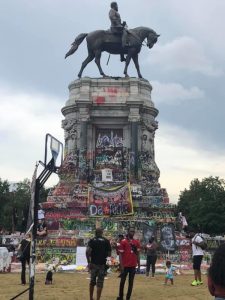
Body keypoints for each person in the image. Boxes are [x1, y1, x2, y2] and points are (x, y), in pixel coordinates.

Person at [86, 228, 111, 300]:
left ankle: (91, 298)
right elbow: (109, 254)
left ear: (95, 233)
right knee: (100, 283)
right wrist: (107, 264)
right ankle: (98, 299)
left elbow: (88, 252)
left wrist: (89, 262)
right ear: (102, 233)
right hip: (102, 265)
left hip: (93, 264)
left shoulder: (92, 240)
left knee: (92, 282)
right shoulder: (106, 241)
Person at [117, 227, 141, 300]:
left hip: (133, 266)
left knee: (131, 283)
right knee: (122, 282)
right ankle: (120, 297)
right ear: (128, 232)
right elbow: (120, 255)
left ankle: (128, 298)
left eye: (133, 231)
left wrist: (139, 264)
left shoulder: (136, 242)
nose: (132, 233)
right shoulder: (123, 242)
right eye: (131, 231)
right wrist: (121, 265)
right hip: (125, 266)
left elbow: (138, 254)